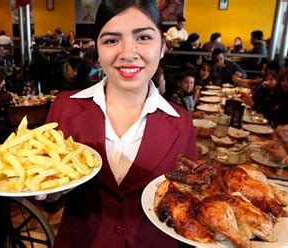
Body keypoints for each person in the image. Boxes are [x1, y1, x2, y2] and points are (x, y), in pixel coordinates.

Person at [44, 1, 197, 246]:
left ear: (162, 47)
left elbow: (188, 197)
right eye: (111, 40)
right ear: (97, 47)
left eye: (144, 37)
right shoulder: (64, 106)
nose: (127, 53)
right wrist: (49, 195)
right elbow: (48, 195)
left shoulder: (182, 122)